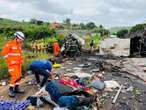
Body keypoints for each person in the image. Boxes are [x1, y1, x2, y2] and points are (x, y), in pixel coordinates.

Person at [1, 31, 25, 97]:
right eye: (20, 39)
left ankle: (16, 88)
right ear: (16, 37)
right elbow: (4, 53)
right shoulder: (10, 44)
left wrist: (21, 60)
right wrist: (10, 62)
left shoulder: (19, 45)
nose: (21, 41)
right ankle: (11, 89)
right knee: (15, 76)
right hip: (12, 65)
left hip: (18, 64)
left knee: (19, 76)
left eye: (21, 40)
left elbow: (19, 54)